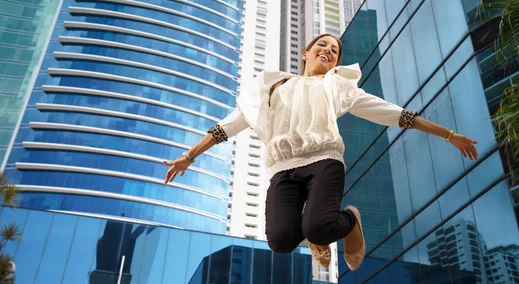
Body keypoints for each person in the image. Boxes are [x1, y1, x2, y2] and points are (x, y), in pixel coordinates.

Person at [163, 34, 478, 271]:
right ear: (305, 53)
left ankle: (349, 221)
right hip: (282, 169)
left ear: (337, 63)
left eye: (335, 50)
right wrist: (189, 156)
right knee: (282, 241)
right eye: (322, 45)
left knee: (317, 227)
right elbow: (231, 124)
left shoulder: (337, 87)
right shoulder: (273, 88)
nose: (328, 50)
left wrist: (447, 134)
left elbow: (390, 112)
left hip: (324, 161)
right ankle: (317, 232)